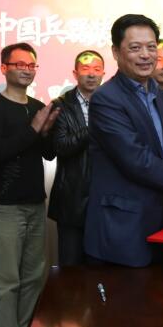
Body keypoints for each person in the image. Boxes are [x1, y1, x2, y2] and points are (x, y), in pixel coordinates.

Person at [84, 13, 163, 267]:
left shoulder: (162, 96)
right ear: (116, 52)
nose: (145, 55)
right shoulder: (105, 99)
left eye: (151, 47)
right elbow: (136, 160)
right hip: (124, 228)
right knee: (129, 293)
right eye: (135, 48)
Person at [0, 42, 59, 327]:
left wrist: (46, 131)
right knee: (7, 279)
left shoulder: (37, 106)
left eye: (31, 65)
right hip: (5, 206)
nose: (26, 70)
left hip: (35, 203)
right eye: (19, 64)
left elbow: (48, 154)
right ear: (4, 68)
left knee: (33, 276)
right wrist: (33, 129)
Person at [48, 50, 105, 266]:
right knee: (71, 267)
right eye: (85, 69)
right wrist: (92, 128)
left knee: (101, 266)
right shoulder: (60, 105)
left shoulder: (112, 103)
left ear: (103, 74)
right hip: (71, 198)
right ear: (75, 73)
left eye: (97, 69)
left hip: (104, 197)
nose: (91, 74)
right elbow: (61, 146)